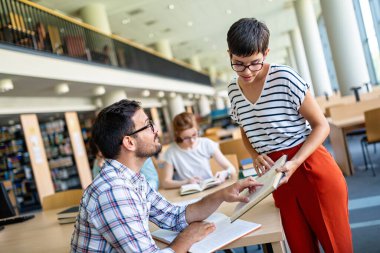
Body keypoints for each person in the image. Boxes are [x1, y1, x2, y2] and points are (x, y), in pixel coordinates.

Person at [226, 18, 353, 253]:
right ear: (229, 55)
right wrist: (255, 154)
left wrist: (295, 162)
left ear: (266, 52)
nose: (247, 71)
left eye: (254, 63)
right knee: (299, 247)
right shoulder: (233, 90)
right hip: (277, 176)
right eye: (238, 64)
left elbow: (321, 126)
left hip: (309, 165)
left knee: (337, 247)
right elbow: (244, 127)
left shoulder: (284, 77)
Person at [70, 99, 262, 252]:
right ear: (129, 142)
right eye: (148, 125)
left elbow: (173, 216)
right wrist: (185, 239)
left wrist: (222, 194)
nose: (157, 131)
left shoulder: (132, 179)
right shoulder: (113, 191)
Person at [161, 112, 237, 189]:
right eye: (186, 138)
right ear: (178, 135)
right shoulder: (171, 151)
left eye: (194, 135)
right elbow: (165, 183)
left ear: (197, 129)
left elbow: (232, 169)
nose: (192, 141)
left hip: (209, 188)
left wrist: (225, 173)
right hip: (189, 191)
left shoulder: (206, 143)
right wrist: (186, 182)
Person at [91, 138, 159, 189]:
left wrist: (137, 192)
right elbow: (99, 186)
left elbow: (153, 180)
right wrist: (101, 169)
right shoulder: (98, 162)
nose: (103, 158)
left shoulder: (138, 153)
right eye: (99, 156)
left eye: (104, 154)